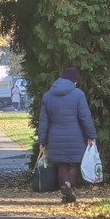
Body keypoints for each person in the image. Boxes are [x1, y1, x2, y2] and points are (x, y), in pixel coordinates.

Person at [38, 66, 97, 203]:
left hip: (55, 136)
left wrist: (43, 140)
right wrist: (91, 135)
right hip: (75, 135)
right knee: (74, 164)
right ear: (74, 80)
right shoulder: (78, 94)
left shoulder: (48, 95)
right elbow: (85, 117)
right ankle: (68, 184)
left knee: (61, 164)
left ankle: (65, 192)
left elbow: (44, 121)